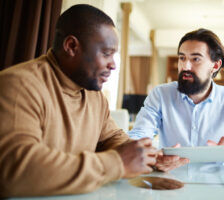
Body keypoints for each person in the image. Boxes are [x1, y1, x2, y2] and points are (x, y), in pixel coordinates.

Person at [0, 4, 160, 197]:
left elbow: (111, 139)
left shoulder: (94, 95)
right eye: (106, 53)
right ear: (71, 46)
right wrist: (117, 163)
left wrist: (147, 157)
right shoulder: (19, 85)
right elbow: (17, 171)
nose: (113, 65)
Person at [129, 28, 224, 171]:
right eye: (182, 58)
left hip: (215, 188)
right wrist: (153, 157)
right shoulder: (160, 94)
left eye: (195, 59)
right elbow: (139, 136)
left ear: (215, 65)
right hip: (170, 185)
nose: (185, 66)